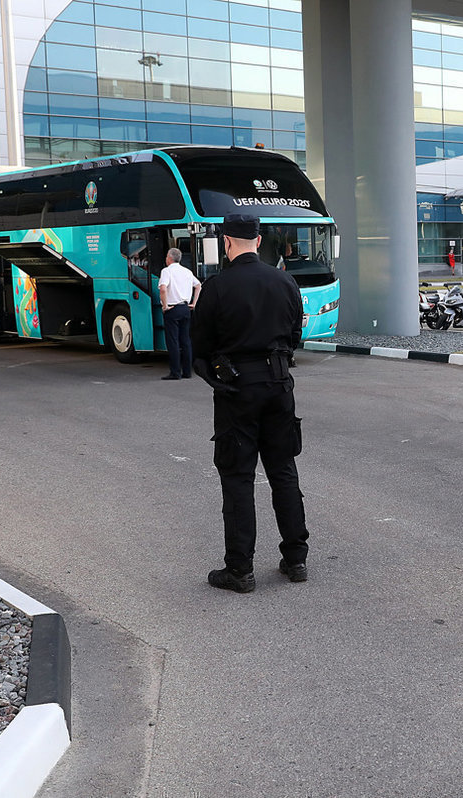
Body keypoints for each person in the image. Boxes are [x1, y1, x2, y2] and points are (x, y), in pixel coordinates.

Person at [191, 214, 310, 593]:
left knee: (238, 477)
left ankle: (239, 569)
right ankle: (296, 558)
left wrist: (219, 373)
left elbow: (200, 348)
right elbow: (295, 335)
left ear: (226, 242)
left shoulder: (217, 287)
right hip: (279, 385)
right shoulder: (285, 281)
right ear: (258, 241)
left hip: (237, 389)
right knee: (283, 470)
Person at [158, 247, 201, 380]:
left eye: (166, 257)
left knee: (173, 341)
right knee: (186, 341)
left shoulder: (166, 271)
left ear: (169, 258)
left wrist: (165, 306)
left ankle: (175, 372)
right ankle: (187, 372)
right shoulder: (187, 271)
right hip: (185, 309)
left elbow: (163, 289)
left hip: (172, 309)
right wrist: (194, 303)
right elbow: (198, 285)